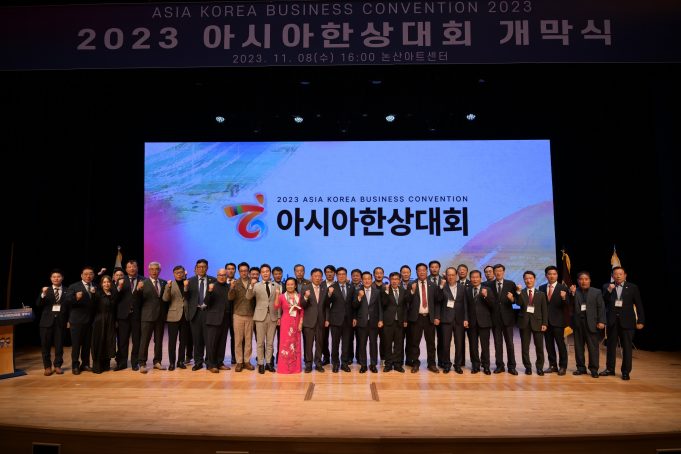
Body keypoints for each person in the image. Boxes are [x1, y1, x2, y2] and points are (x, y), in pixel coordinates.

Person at [600, 266, 645, 380]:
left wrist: (641, 321)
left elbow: (639, 304)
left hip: (628, 322)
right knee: (610, 346)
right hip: (612, 321)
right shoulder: (607, 286)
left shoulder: (632, 287)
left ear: (625, 275)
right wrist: (609, 291)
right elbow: (602, 302)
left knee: (627, 347)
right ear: (612, 276)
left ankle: (625, 371)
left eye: (620, 274)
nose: (618, 276)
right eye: (616, 274)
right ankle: (610, 369)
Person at [406, 263, 443, 373]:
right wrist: (412, 292)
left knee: (431, 343)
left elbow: (437, 302)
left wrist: (437, 317)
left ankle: (431, 364)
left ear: (426, 271)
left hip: (429, 318)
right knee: (414, 343)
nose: (421, 272)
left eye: (423, 270)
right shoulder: (411, 284)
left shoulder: (433, 285)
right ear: (416, 272)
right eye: (419, 270)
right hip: (416, 318)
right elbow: (407, 301)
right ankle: (415, 363)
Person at [570, 271, 605, 378]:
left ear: (590, 280)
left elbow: (601, 307)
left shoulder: (596, 292)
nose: (583, 281)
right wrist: (572, 294)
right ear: (578, 281)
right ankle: (581, 368)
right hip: (578, 323)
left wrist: (601, 321)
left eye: (586, 279)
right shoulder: (574, 291)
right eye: (581, 279)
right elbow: (569, 305)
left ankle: (594, 369)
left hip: (592, 323)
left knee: (593, 348)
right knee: (579, 347)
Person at [538, 266, 570, 375]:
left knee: (560, 345)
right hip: (546, 322)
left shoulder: (563, 288)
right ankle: (552, 365)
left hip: (558, 322)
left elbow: (568, 305)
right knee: (549, 345)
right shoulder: (541, 288)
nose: (552, 276)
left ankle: (563, 366)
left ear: (557, 275)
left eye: (554, 274)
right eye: (549, 274)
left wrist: (564, 298)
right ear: (546, 275)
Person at [36, 269, 68, 376]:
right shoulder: (46, 290)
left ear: (62, 278)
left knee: (59, 345)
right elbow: (38, 304)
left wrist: (68, 320)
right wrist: (43, 294)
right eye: (54, 277)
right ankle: (47, 367)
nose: (56, 278)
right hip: (46, 322)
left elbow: (69, 307)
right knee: (45, 345)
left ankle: (58, 366)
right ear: (51, 279)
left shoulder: (67, 290)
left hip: (60, 322)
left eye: (58, 276)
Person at [184, 259, 215, 371]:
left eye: (204, 267)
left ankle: (209, 362)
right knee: (197, 340)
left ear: (207, 268)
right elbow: (186, 298)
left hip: (208, 312)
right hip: (195, 313)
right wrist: (185, 288)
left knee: (209, 340)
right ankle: (198, 362)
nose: (201, 269)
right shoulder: (190, 281)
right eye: (199, 267)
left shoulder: (213, 280)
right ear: (196, 268)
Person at [66, 266, 96, 375]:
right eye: (86, 274)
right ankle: (75, 365)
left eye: (91, 274)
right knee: (76, 345)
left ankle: (85, 364)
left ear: (93, 275)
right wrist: (76, 298)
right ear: (81, 275)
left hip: (90, 321)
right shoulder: (74, 286)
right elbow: (67, 301)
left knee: (87, 345)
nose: (88, 276)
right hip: (77, 321)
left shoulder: (95, 286)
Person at [516, 271, 548, 376]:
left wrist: (544, 323)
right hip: (524, 323)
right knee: (525, 347)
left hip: (538, 323)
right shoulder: (521, 292)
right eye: (526, 278)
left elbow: (544, 310)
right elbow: (518, 304)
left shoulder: (541, 294)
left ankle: (539, 367)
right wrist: (518, 293)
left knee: (539, 347)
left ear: (534, 279)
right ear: (524, 280)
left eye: (530, 278)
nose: (528, 280)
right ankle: (528, 367)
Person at [137, 262, 166, 373]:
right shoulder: (143, 283)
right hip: (147, 316)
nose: (154, 271)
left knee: (159, 341)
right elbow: (137, 300)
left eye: (157, 269)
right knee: (144, 340)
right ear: (149, 270)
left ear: (160, 270)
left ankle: (157, 361)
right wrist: (138, 290)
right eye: (152, 269)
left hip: (160, 317)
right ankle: (142, 363)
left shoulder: (163, 282)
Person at [489, 264, 518, 375]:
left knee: (510, 343)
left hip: (508, 319)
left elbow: (516, 300)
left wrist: (512, 299)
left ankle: (512, 367)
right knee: (498, 344)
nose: (498, 273)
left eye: (500, 271)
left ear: (503, 272)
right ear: (494, 272)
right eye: (496, 271)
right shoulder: (489, 285)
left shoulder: (511, 284)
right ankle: (499, 366)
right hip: (495, 319)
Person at [115, 260, 143, 371]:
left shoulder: (144, 280)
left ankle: (135, 362)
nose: (132, 269)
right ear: (126, 269)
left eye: (134, 266)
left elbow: (146, 298)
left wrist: (140, 290)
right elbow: (114, 298)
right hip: (123, 316)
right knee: (122, 341)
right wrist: (119, 287)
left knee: (137, 341)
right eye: (129, 267)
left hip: (137, 316)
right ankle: (122, 363)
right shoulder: (120, 280)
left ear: (137, 268)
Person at [326, 267, 355, 373]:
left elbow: (353, 305)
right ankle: (335, 363)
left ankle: (344, 363)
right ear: (336, 276)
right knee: (335, 343)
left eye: (343, 274)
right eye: (339, 274)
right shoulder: (332, 287)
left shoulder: (351, 287)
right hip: (335, 320)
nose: (341, 276)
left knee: (346, 344)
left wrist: (354, 317)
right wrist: (329, 294)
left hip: (348, 320)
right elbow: (326, 303)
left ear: (346, 275)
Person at [228, 262, 256, 372]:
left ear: (248, 271)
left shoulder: (253, 282)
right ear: (238, 272)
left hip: (250, 315)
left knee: (248, 340)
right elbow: (230, 298)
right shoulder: (235, 283)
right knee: (238, 340)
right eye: (241, 271)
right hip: (238, 315)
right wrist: (231, 288)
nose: (243, 273)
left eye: (245, 271)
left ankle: (247, 361)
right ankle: (239, 362)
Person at [353, 271, 383, 373]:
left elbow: (380, 307)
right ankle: (363, 365)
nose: (367, 281)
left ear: (371, 279)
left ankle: (373, 364)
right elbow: (354, 306)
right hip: (362, 322)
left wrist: (380, 319)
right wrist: (359, 297)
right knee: (362, 344)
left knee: (373, 344)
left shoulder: (377, 292)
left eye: (369, 279)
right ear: (362, 280)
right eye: (365, 279)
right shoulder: (358, 291)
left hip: (374, 322)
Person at [253, 264, 281, 374]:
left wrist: (279, 316)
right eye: (263, 271)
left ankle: (269, 363)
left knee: (270, 342)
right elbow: (249, 297)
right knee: (260, 342)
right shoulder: (256, 285)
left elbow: (278, 303)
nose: (265, 273)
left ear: (270, 273)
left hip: (272, 317)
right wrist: (250, 286)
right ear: (261, 273)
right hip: (260, 316)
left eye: (267, 271)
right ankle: (260, 363)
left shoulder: (277, 285)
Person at [440, 267, 468, 374]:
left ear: (456, 275)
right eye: (449, 275)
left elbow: (465, 304)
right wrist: (441, 287)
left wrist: (466, 318)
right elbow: (438, 300)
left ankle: (458, 365)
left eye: (453, 275)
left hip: (459, 320)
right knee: (445, 344)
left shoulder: (462, 287)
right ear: (446, 276)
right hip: (446, 319)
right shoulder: (443, 286)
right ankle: (447, 364)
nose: (451, 277)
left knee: (459, 344)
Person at [204, 268, 232, 373]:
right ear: (217, 276)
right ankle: (211, 364)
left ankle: (220, 363)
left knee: (222, 343)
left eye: (224, 275)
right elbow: (206, 302)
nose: (222, 277)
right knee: (212, 343)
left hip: (225, 319)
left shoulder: (229, 287)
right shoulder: (212, 286)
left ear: (226, 276)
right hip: (213, 319)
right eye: (220, 275)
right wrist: (209, 291)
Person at [465, 270, 493, 375]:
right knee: (473, 346)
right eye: (473, 277)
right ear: (470, 278)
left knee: (485, 346)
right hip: (472, 322)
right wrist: (466, 319)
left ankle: (486, 366)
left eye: (477, 277)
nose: (475, 279)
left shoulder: (487, 289)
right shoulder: (467, 290)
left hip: (484, 322)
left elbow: (493, 305)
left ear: (481, 278)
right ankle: (475, 365)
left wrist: (486, 296)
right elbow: (465, 306)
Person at [162, 265, 190, 370]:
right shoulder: (170, 284)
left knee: (183, 341)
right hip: (173, 316)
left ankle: (180, 361)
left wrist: (186, 287)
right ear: (174, 274)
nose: (179, 274)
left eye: (181, 272)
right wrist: (168, 288)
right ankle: (172, 363)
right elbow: (165, 299)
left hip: (185, 316)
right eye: (177, 273)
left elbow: (189, 298)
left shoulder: (187, 283)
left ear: (184, 273)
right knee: (172, 341)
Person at [380, 272, 408, 373]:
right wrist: (387, 292)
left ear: (399, 280)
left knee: (398, 344)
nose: (394, 281)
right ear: (390, 280)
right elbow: (383, 304)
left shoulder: (403, 290)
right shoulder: (385, 290)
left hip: (399, 322)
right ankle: (388, 364)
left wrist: (405, 319)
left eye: (396, 279)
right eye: (392, 279)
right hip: (388, 322)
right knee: (387, 344)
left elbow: (405, 307)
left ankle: (397, 364)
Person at [275, 277, 304, 374]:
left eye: (292, 284)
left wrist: (300, 323)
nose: (290, 286)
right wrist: (277, 294)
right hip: (285, 322)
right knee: (285, 344)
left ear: (295, 286)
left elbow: (302, 311)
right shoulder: (282, 296)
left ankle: (295, 368)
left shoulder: (299, 296)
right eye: (288, 284)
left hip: (296, 321)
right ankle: (284, 368)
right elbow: (276, 306)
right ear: (285, 286)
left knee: (295, 344)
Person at [301, 268, 328, 373]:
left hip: (321, 320)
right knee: (308, 344)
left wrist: (327, 319)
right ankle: (308, 364)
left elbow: (326, 306)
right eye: (315, 276)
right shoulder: (305, 288)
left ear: (322, 278)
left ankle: (318, 363)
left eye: (319, 276)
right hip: (309, 321)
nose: (317, 278)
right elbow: (302, 305)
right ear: (311, 277)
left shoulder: (324, 288)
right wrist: (306, 297)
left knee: (319, 344)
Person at [91, 275, 119, 374]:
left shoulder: (113, 294)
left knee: (108, 341)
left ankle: (106, 364)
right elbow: (92, 307)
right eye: (104, 282)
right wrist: (92, 294)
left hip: (110, 321)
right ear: (101, 284)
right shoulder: (97, 294)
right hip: (100, 321)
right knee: (100, 342)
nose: (106, 284)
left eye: (108, 282)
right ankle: (97, 366)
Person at [320, 265, 337, 366]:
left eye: (331, 272)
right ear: (325, 273)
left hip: (336, 315)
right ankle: (326, 357)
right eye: (327, 272)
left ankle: (336, 358)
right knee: (323, 338)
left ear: (334, 273)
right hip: (323, 315)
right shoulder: (321, 285)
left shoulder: (338, 285)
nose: (329, 274)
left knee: (335, 338)